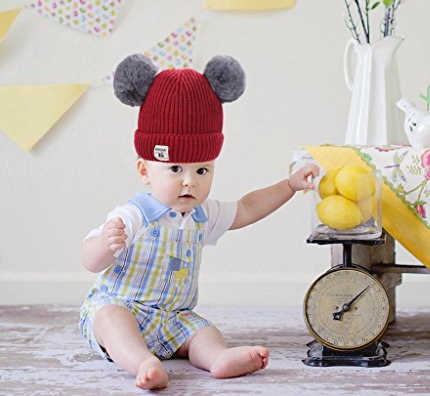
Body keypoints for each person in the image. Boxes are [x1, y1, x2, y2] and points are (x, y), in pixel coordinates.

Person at [79, 54, 318, 390]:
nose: (190, 181)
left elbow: (248, 208)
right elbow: (90, 260)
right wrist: (105, 244)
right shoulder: (134, 215)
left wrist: (289, 185)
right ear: (145, 170)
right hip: (124, 308)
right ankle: (142, 362)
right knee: (110, 319)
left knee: (202, 331)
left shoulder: (203, 215)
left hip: (172, 319)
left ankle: (217, 358)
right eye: (175, 169)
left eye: (202, 170)